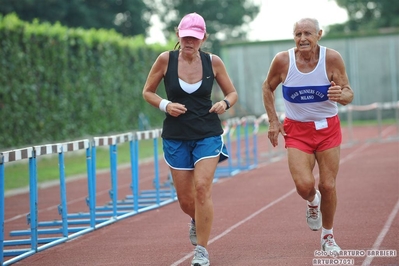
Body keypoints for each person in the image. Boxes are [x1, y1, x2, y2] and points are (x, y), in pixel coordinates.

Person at [142, 12, 238, 266]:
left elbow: (232, 92)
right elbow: (147, 92)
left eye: (194, 38)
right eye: (185, 36)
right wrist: (165, 105)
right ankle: (196, 219)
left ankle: (202, 251)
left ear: (203, 38)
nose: (189, 42)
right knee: (186, 200)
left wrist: (224, 103)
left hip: (207, 133)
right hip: (176, 136)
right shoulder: (165, 60)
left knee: (202, 189)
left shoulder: (213, 62)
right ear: (178, 34)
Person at [262, 18, 354, 253]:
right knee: (304, 185)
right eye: (298, 34)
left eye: (308, 33)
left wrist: (339, 95)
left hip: (327, 130)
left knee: (328, 185)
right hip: (297, 131)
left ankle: (328, 236)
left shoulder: (331, 58)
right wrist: (273, 120)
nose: (302, 38)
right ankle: (312, 202)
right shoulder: (283, 61)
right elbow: (267, 87)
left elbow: (348, 94)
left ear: (319, 34)